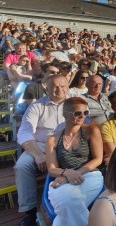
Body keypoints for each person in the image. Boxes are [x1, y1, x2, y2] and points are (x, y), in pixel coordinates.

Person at [15, 74, 69, 225]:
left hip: (66, 143)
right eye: (55, 86)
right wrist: (38, 155)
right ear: (47, 88)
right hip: (40, 144)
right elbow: (24, 132)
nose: (59, 90)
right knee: (22, 165)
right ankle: (30, 211)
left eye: (62, 86)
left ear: (68, 87)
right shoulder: (37, 106)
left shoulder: (75, 105)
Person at [46, 97, 104, 226]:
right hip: (64, 178)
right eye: (78, 113)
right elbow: (51, 169)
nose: (83, 116)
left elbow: (98, 159)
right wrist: (67, 173)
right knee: (70, 201)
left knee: (67, 203)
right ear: (65, 114)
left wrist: (72, 175)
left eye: (86, 113)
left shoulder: (91, 131)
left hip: (89, 176)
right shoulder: (53, 139)